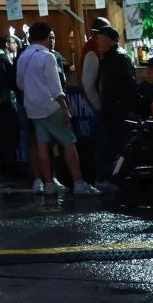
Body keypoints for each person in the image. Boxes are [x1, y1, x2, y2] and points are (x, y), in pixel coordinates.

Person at [16, 22, 101, 197]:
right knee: (68, 141)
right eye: (51, 37)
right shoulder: (48, 56)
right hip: (50, 106)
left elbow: (19, 84)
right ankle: (79, 182)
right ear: (47, 37)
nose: (52, 41)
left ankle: (48, 184)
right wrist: (64, 108)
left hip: (32, 108)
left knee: (41, 143)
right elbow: (56, 88)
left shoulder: (23, 56)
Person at [92, 26, 139, 184]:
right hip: (113, 111)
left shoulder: (118, 58)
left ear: (108, 39)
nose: (97, 40)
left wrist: (129, 109)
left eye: (100, 37)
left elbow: (129, 86)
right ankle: (110, 180)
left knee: (113, 147)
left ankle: (112, 181)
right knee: (110, 147)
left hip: (117, 112)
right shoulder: (113, 57)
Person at [0, 35, 24, 178]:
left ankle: (6, 166)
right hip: (5, 102)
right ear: (7, 44)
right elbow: (9, 81)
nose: (16, 45)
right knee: (10, 134)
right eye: (14, 42)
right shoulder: (1, 60)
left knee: (5, 135)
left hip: (0, 102)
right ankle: (9, 166)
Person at [78, 18, 113, 106]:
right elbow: (88, 85)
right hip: (99, 103)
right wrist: (98, 106)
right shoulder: (92, 50)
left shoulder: (97, 46)